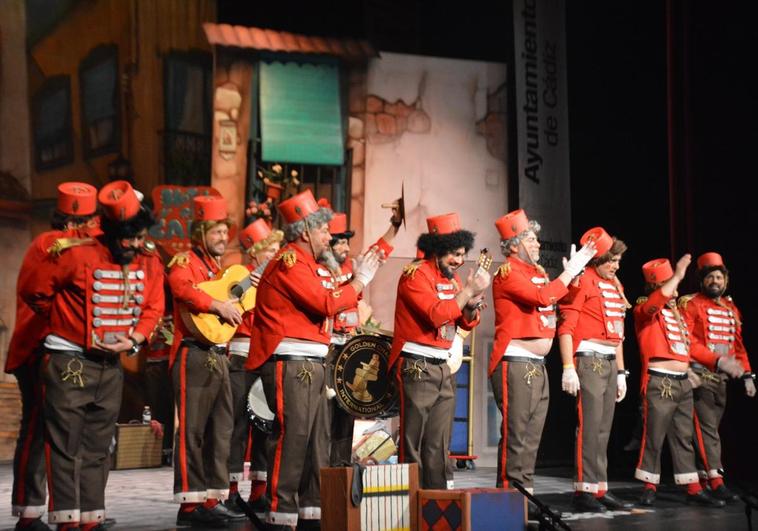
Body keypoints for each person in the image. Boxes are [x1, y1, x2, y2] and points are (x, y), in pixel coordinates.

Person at [21, 180, 164, 530]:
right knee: (65, 445)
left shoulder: (147, 259)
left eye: (138, 236)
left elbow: (153, 305)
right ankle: (68, 520)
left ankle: (90, 517)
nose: (132, 245)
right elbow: (34, 291)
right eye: (126, 238)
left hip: (111, 364)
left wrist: (134, 338)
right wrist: (67, 323)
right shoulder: (75, 251)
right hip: (69, 360)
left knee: (100, 446)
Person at [245, 190, 383, 530]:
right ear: (305, 232)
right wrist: (361, 280)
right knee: (293, 437)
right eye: (323, 231)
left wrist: (357, 279)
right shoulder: (290, 262)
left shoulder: (308, 264)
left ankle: (310, 509)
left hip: (311, 361)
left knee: (317, 440)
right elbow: (325, 303)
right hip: (291, 361)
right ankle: (280, 510)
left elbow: (332, 297)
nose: (328, 236)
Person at [7, 182, 99, 531]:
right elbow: (38, 296)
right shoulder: (52, 244)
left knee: (64, 432)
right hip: (39, 347)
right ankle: (30, 512)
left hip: (59, 348)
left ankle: (71, 511)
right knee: (39, 427)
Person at [489, 209, 595, 494]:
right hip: (515, 362)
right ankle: (509, 495)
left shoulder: (537, 272)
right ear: (514, 245)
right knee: (516, 434)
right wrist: (568, 273)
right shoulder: (507, 272)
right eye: (531, 239)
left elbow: (555, 301)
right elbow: (540, 297)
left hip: (536, 363)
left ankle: (525, 495)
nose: (537, 244)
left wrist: (574, 278)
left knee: (532, 434)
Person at [633, 255, 742, 507]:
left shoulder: (677, 313)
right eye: (671, 284)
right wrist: (678, 274)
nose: (676, 290)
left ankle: (692, 487)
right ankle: (649, 485)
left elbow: (689, 346)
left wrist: (715, 362)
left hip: (683, 380)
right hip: (661, 381)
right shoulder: (646, 308)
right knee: (655, 434)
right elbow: (652, 306)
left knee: (683, 436)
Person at [390, 212, 490, 489]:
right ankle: (408, 502)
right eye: (453, 254)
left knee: (438, 442)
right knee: (413, 441)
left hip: (443, 365)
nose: (458, 261)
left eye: (461, 254)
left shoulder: (453, 280)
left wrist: (472, 304)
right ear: (437, 250)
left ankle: (435, 504)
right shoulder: (415, 275)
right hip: (417, 364)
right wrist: (468, 291)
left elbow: (462, 321)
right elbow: (436, 315)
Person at [167, 194, 245, 527]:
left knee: (221, 428)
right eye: (215, 232)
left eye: (224, 232)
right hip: (192, 353)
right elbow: (180, 288)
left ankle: (212, 498)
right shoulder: (185, 261)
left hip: (218, 355)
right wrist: (217, 306)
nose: (222, 238)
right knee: (193, 431)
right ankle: (189, 505)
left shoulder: (218, 270)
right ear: (200, 232)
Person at [558, 227, 633, 512]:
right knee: (589, 427)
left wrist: (623, 372)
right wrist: (568, 367)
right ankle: (583, 490)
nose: (615, 266)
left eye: (618, 262)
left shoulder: (616, 285)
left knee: (604, 430)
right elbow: (566, 327)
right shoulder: (583, 281)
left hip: (610, 361)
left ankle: (600, 488)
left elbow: (619, 335)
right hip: (588, 359)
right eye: (611, 261)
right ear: (597, 260)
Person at [320, 201, 400, 466]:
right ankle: (321, 471)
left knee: (347, 411)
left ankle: (340, 468)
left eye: (346, 242)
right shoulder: (319, 270)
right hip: (327, 349)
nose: (345, 248)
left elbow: (377, 252)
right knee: (325, 414)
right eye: (340, 242)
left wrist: (394, 226)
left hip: (348, 347)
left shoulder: (351, 267)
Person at [678, 251, 755, 501]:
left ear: (726, 281)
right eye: (710, 277)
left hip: (721, 379)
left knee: (710, 430)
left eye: (719, 278)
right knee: (706, 430)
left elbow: (738, 346)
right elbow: (686, 342)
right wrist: (716, 360)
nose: (715, 282)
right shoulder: (691, 304)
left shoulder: (731, 308)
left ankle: (703, 480)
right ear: (702, 281)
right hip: (700, 375)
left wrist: (747, 375)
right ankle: (716, 480)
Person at [225, 218, 283, 513]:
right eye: (269, 248)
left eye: (277, 247)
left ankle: (260, 490)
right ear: (255, 253)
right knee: (237, 425)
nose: (275, 253)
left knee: (265, 423)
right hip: (241, 353)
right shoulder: (240, 278)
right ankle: (231, 491)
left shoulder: (276, 278)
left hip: (267, 355)